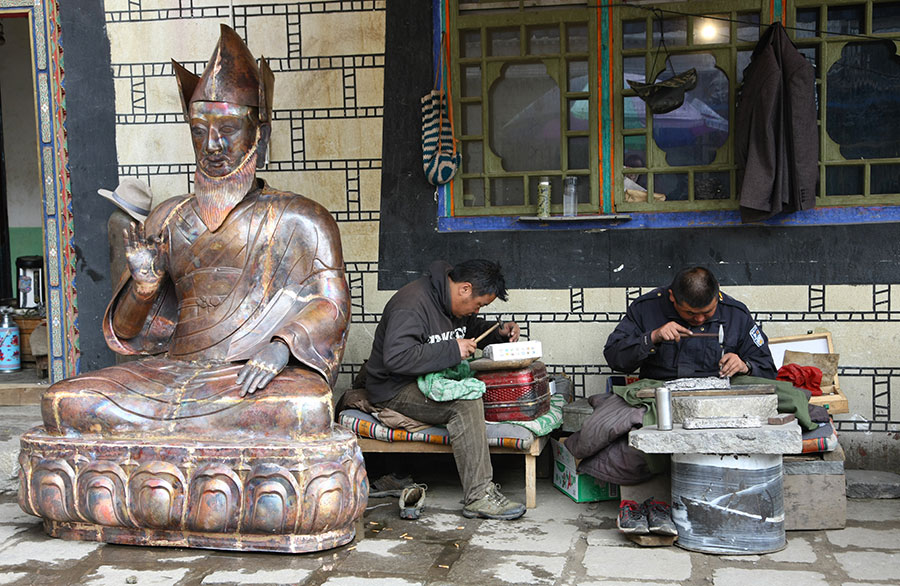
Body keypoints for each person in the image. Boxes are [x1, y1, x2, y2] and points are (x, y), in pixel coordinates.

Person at [40, 24, 350, 439]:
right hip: (173, 371)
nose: (213, 146)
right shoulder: (168, 219)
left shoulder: (302, 218)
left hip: (252, 373)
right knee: (67, 402)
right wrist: (144, 288)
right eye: (200, 132)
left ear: (261, 134)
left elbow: (331, 305)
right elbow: (131, 333)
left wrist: (280, 348)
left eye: (227, 130)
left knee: (302, 409)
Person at [363, 259, 526, 520]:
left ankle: (479, 493)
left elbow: (467, 327)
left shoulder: (450, 303)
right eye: (479, 304)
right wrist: (452, 350)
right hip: (395, 387)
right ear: (464, 289)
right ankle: (479, 496)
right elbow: (396, 358)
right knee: (465, 402)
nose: (476, 310)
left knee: (476, 385)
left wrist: (497, 332)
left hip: (427, 378)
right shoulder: (412, 304)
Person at [604, 266, 775, 380]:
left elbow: (767, 367)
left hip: (722, 396)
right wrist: (653, 337)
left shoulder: (735, 313)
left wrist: (745, 366)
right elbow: (614, 358)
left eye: (707, 312)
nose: (699, 319)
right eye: (690, 313)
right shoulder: (646, 308)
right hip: (659, 396)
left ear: (717, 293)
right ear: (672, 297)